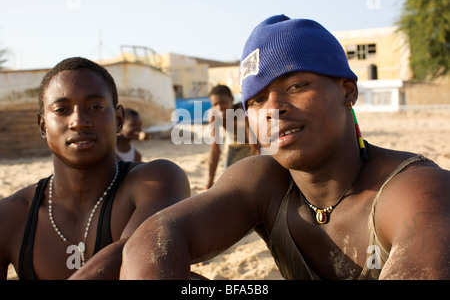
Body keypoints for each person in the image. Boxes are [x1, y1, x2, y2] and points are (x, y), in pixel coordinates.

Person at [120, 15, 450, 280]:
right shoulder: (265, 181)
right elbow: (152, 240)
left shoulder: (416, 189)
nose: (273, 108)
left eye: (296, 85)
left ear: (348, 91)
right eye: (258, 99)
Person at [0, 57, 190, 280]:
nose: (78, 121)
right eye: (62, 109)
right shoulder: (11, 215)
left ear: (119, 119)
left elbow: (140, 260)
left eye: (96, 107)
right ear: (43, 126)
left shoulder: (158, 181)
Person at [206, 85, 260, 189]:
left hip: (255, 142)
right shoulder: (214, 116)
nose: (220, 108)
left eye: (223, 103)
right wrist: (209, 182)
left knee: (251, 176)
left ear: (232, 99)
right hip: (233, 141)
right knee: (229, 176)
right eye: (215, 104)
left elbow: (255, 145)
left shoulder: (242, 112)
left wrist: (258, 170)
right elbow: (215, 148)